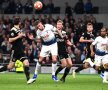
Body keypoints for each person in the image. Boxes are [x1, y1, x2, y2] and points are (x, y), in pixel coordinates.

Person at [27, 20, 63, 84]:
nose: (39, 27)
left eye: (39, 25)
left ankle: (53, 75)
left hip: (53, 44)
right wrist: (33, 39)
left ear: (41, 23)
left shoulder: (48, 26)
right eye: (38, 27)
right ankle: (35, 76)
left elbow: (57, 30)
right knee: (40, 60)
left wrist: (61, 36)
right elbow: (39, 41)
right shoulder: (38, 32)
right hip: (45, 46)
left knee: (54, 60)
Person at [0, 17, 31, 83]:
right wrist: (19, 36)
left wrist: (23, 35)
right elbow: (10, 40)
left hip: (21, 50)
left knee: (26, 63)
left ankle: (28, 80)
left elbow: (19, 38)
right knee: (10, 67)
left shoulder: (19, 29)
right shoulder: (13, 30)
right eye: (20, 21)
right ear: (18, 22)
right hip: (15, 51)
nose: (21, 22)